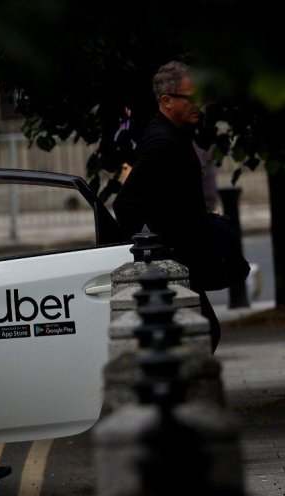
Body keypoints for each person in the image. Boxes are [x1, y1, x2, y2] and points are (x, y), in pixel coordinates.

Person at [113, 61, 222, 352]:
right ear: (167, 101)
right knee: (202, 333)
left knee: (201, 334)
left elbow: (165, 196)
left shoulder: (174, 134)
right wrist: (156, 251)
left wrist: (197, 217)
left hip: (180, 261)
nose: (198, 104)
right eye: (191, 98)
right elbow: (125, 204)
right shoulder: (162, 141)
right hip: (172, 265)